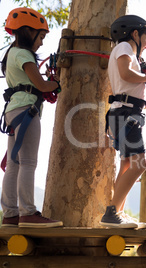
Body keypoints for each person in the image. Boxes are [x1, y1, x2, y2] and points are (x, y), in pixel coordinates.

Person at [0, 7, 63, 228]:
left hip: (14, 111)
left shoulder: (11, 53)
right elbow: (42, 85)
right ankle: (27, 213)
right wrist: (57, 82)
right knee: (28, 162)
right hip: (26, 111)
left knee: (14, 164)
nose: (42, 42)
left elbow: (33, 83)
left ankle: (10, 215)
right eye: (41, 36)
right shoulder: (24, 55)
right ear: (29, 31)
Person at [100, 15, 146, 228]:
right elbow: (126, 74)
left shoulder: (125, 52)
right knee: (140, 164)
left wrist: (143, 72)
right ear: (135, 34)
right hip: (125, 115)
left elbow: (127, 73)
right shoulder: (125, 47)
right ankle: (111, 213)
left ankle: (118, 212)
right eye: (145, 37)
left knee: (127, 164)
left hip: (123, 114)